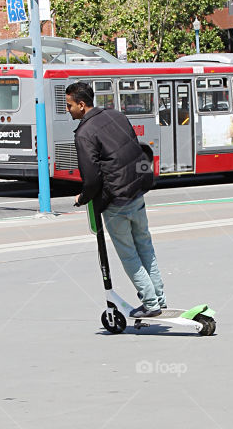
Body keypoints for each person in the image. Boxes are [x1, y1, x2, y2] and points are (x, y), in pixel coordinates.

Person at [65, 81, 166, 318]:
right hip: (137, 193)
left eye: (69, 105)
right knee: (146, 247)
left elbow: (91, 178)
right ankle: (159, 297)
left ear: (81, 104)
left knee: (129, 254)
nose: (67, 110)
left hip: (116, 202)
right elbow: (134, 151)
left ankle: (151, 304)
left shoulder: (84, 133)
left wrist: (83, 198)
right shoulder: (117, 116)